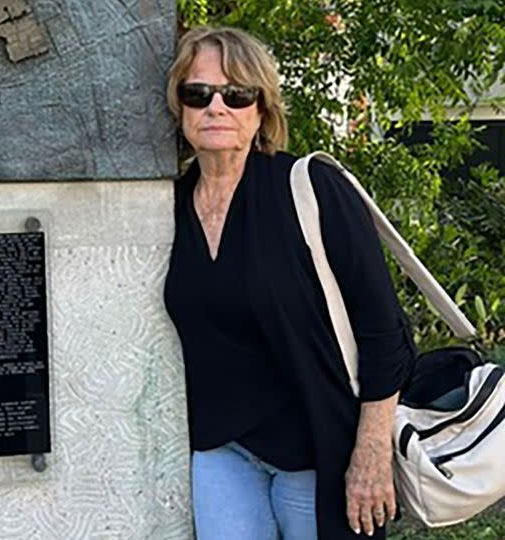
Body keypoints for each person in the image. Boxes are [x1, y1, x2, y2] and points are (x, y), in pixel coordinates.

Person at [162, 26, 416, 539]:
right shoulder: (167, 207)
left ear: (262, 110)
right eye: (198, 93)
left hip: (317, 452)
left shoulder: (313, 189)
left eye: (236, 95)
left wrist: (370, 455)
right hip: (221, 453)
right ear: (180, 107)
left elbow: (384, 332)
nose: (216, 107)